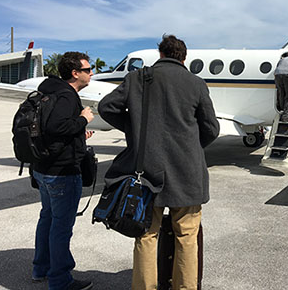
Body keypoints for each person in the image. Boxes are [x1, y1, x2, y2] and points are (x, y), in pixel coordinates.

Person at [98, 35, 220, 290]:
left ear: (161, 54)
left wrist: (135, 132)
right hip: (187, 173)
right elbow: (211, 128)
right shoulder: (196, 84)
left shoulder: (138, 78)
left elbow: (106, 107)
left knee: (145, 235)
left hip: (146, 171)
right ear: (183, 58)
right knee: (186, 237)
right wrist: (190, 147)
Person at [32, 52, 95, 290]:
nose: (91, 73)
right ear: (75, 73)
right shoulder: (67, 96)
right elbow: (57, 126)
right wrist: (83, 120)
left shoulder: (49, 91)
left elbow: (53, 130)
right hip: (62, 172)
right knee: (61, 227)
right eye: (88, 69)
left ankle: (40, 268)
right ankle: (60, 280)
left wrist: (79, 133)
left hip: (43, 168)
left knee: (47, 219)